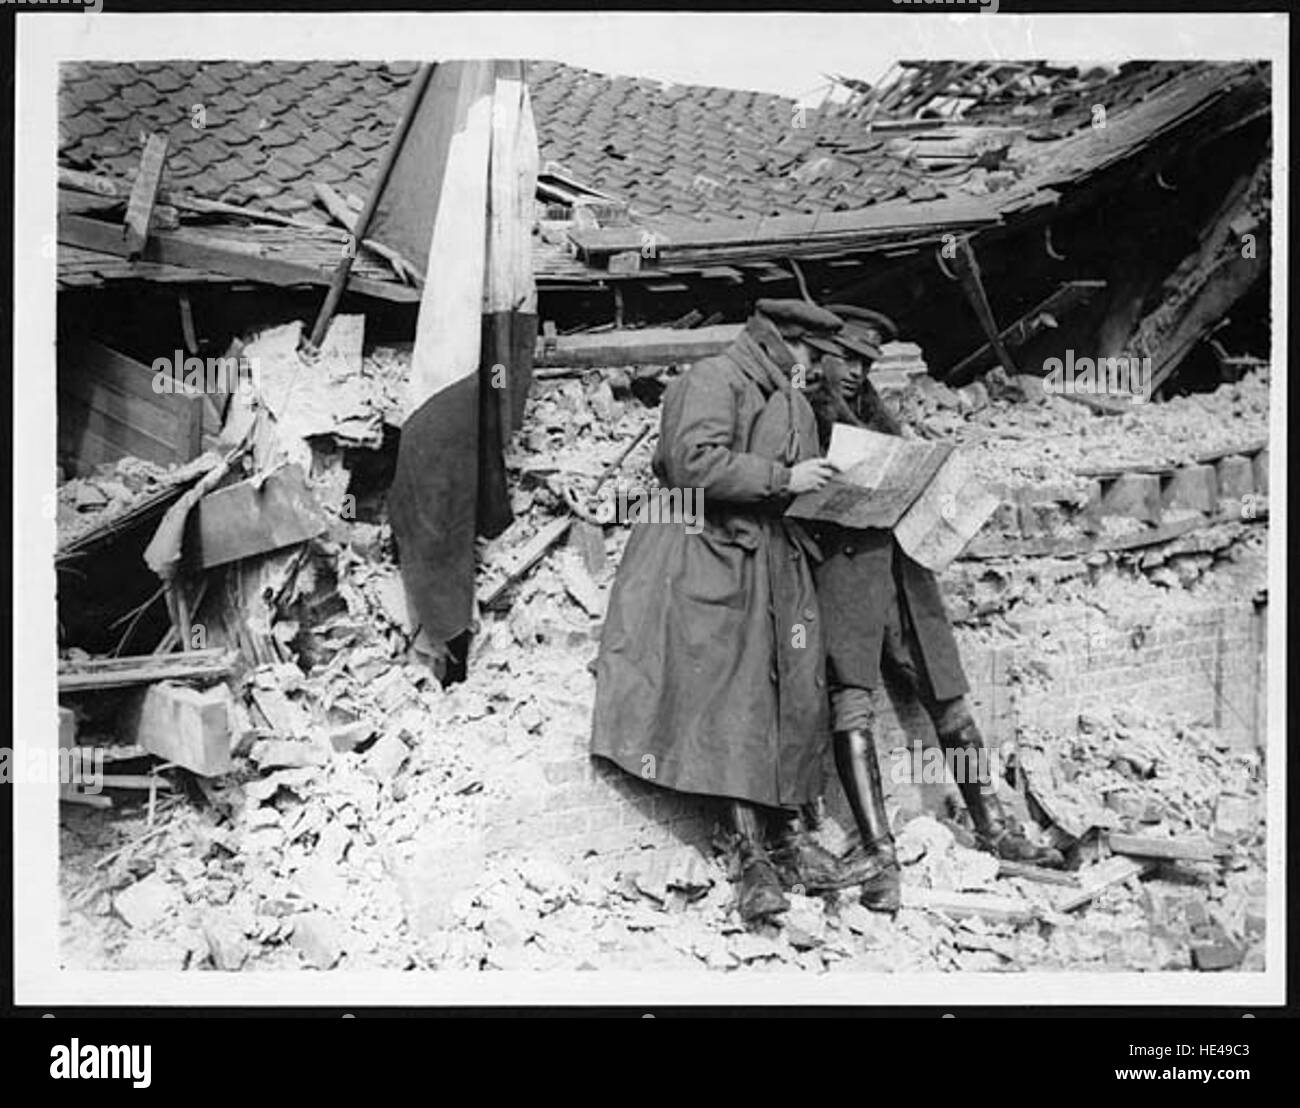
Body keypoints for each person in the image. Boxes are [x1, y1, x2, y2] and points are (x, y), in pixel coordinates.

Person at [591, 299, 857, 925]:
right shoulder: (711, 379)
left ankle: (788, 841)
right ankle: (750, 857)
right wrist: (782, 478)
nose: (816, 369)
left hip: (773, 559)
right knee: (732, 697)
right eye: (811, 356)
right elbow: (691, 465)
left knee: (791, 694)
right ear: (780, 341)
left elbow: (796, 476)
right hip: (706, 556)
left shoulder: (790, 395)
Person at [807, 304, 1065, 913]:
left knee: (948, 696)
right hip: (844, 578)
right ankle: (879, 853)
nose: (854, 372)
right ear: (820, 352)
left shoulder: (873, 409)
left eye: (865, 362)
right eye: (846, 358)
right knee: (851, 703)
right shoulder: (802, 410)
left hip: (903, 573)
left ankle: (994, 826)